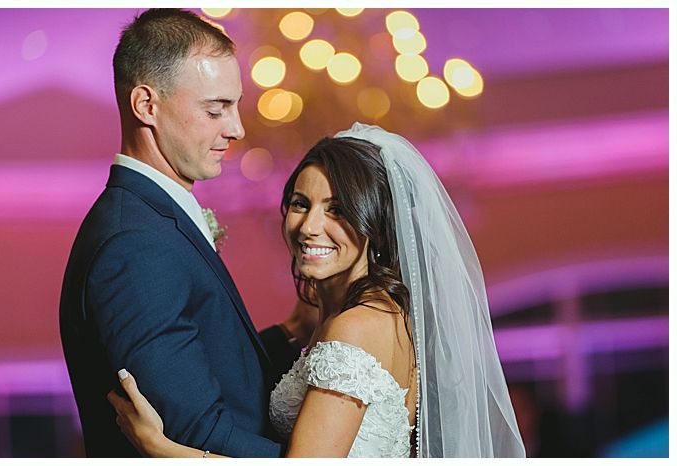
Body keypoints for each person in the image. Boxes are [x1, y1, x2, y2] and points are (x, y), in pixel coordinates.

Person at [109, 124, 527, 457]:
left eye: (338, 210)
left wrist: (161, 449)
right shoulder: (382, 311)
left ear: (375, 224)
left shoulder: (356, 327)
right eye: (299, 203)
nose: (309, 226)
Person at [59, 8, 316, 458]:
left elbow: (204, 364)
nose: (236, 128)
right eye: (216, 109)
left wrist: (292, 331)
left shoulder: (151, 218)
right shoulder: (134, 245)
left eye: (234, 106)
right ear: (146, 106)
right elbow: (195, 431)